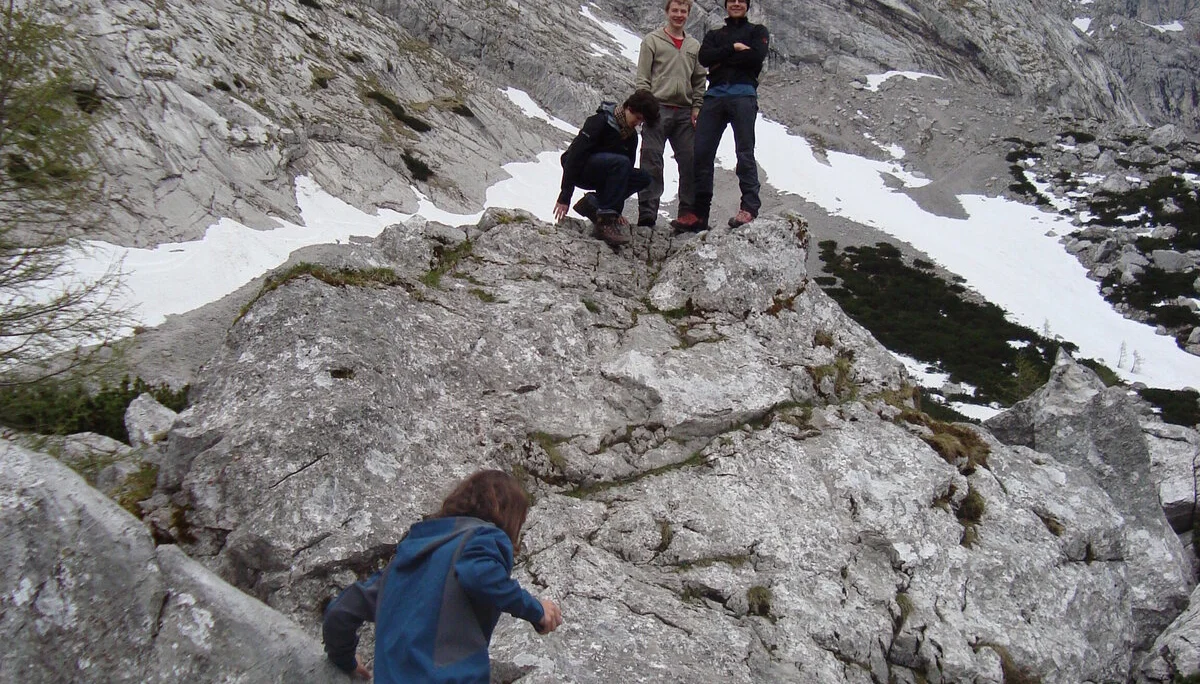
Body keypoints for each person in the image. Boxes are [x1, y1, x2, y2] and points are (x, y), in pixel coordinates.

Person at [322, 470, 563, 683]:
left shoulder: (404, 562)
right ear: (509, 518)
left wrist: (346, 661)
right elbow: (479, 574)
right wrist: (536, 610)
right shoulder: (485, 537)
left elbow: (341, 611)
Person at [683, 0, 769, 232]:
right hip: (714, 97)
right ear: (726, 5)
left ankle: (749, 208)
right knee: (701, 153)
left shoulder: (758, 31)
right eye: (732, 0)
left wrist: (721, 60)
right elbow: (704, 58)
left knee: (744, 151)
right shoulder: (714, 34)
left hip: (743, 95)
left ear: (747, 5)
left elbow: (755, 58)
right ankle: (700, 215)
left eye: (741, 0)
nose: (737, 4)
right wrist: (734, 48)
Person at [553, 90, 660, 247]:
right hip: (582, 171)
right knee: (621, 162)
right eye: (638, 118)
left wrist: (617, 211)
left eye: (641, 121)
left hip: (607, 174)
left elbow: (624, 176)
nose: (638, 124)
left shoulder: (631, 137)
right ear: (629, 108)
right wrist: (565, 197)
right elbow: (574, 157)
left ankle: (595, 205)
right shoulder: (599, 121)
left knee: (643, 177)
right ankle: (604, 222)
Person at [634, 0, 707, 229]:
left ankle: (687, 213)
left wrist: (697, 107)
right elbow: (643, 78)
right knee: (651, 159)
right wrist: (646, 107)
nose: (679, 15)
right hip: (657, 108)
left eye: (683, 11)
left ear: (688, 14)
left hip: (685, 113)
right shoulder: (652, 40)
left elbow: (699, 80)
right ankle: (647, 213)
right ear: (667, 12)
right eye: (674, 10)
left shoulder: (694, 46)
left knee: (690, 162)